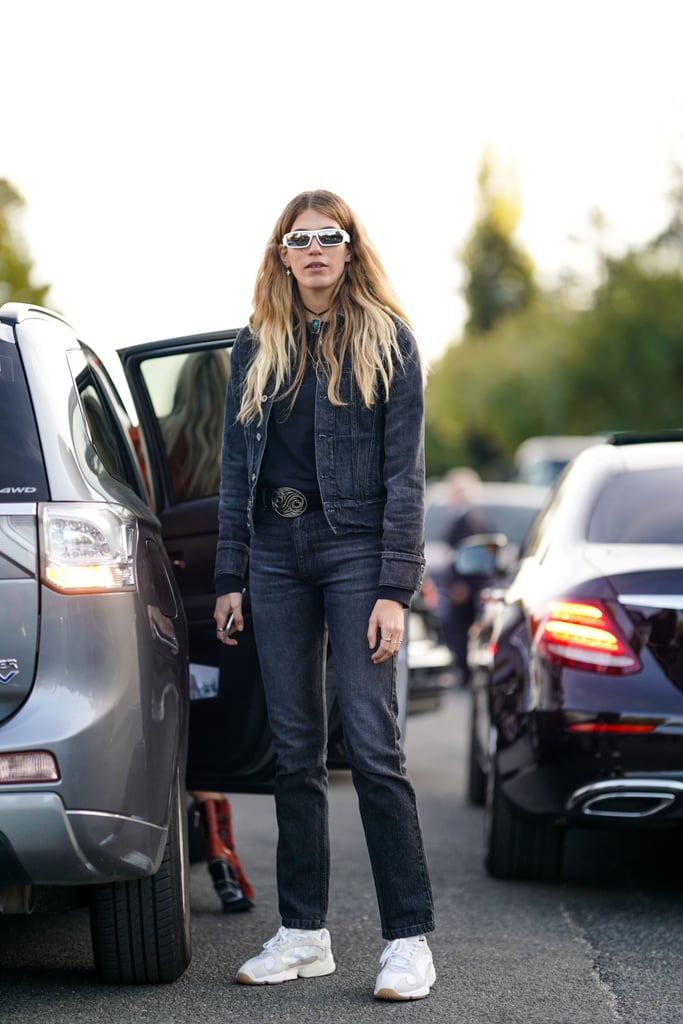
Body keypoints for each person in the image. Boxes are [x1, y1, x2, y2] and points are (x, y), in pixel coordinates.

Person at [213, 190, 435, 1000]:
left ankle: (408, 941)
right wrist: (230, 573)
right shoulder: (257, 345)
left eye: (327, 238)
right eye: (297, 239)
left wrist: (392, 588)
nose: (312, 250)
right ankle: (304, 933)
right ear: (282, 254)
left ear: (348, 249)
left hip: (353, 552)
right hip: (273, 555)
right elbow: (235, 470)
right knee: (294, 753)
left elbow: (404, 478)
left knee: (373, 747)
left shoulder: (389, 342)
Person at [161, 352, 254, 913]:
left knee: (171, 728)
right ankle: (223, 855)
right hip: (230, 607)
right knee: (212, 717)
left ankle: (187, 851)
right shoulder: (244, 446)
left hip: (165, 604)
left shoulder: (153, 442)